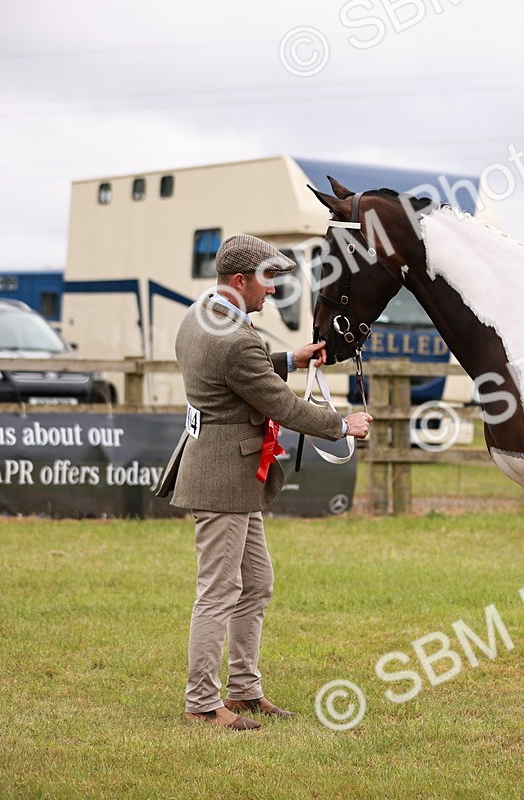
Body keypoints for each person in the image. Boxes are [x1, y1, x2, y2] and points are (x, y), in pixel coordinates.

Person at [155, 234, 372, 731]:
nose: (272, 290)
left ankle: (245, 691)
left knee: (255, 584)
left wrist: (289, 362)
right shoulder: (235, 339)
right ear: (239, 281)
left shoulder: (200, 315)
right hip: (224, 477)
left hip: (228, 473)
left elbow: (238, 374)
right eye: (267, 279)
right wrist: (343, 426)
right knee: (218, 591)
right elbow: (282, 405)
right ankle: (203, 704)